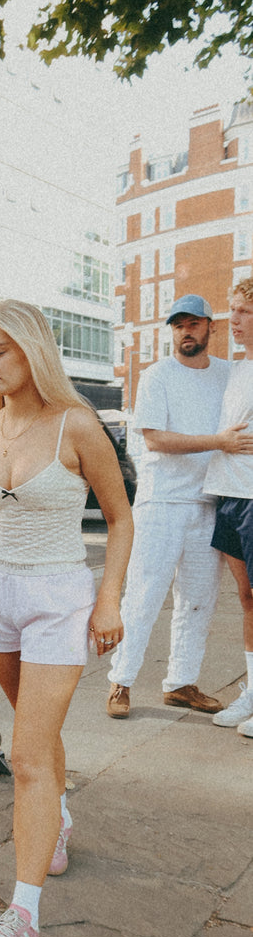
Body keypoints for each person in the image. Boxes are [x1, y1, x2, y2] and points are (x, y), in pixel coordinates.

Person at [0, 300, 133, 937]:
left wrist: (109, 600)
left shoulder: (77, 426)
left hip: (57, 598)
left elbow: (120, 520)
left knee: (28, 755)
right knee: (35, 733)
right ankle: (56, 819)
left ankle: (23, 913)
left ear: (32, 351)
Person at [106, 295, 252, 719]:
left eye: (193, 323)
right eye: (178, 325)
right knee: (144, 596)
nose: (186, 331)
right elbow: (155, 439)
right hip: (161, 502)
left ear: (211, 327)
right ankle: (121, 681)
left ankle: (181, 683)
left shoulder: (230, 372)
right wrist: (218, 442)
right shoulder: (157, 376)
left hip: (209, 502)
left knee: (198, 601)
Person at [204, 279, 253, 736]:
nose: (231, 320)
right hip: (230, 495)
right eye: (231, 310)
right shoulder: (238, 370)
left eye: (241, 312)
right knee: (246, 599)